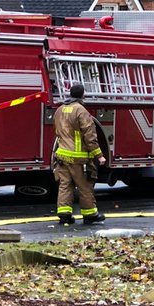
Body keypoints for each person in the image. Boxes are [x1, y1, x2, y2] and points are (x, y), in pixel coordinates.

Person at [52, 82, 107, 226]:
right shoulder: (81, 111)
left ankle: (64, 215)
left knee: (65, 185)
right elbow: (90, 136)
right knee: (85, 186)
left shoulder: (60, 109)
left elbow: (57, 132)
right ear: (83, 95)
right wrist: (99, 155)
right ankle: (90, 215)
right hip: (78, 158)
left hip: (62, 155)